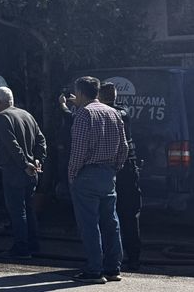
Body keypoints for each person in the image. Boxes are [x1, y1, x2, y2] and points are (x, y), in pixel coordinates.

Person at [68, 76, 129, 284]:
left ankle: (95, 269)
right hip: (108, 173)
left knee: (89, 223)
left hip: (87, 173)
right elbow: (124, 147)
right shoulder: (113, 112)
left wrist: (73, 175)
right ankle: (113, 268)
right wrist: (115, 168)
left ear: (82, 93)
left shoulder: (84, 114)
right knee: (111, 222)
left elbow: (78, 150)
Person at [0, 87, 46, 259]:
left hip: (15, 171)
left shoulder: (2, 117)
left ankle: (21, 248)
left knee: (17, 210)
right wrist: (38, 159)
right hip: (32, 171)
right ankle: (34, 244)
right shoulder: (27, 115)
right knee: (29, 209)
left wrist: (24, 164)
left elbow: (11, 144)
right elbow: (41, 139)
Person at [99, 82, 142, 271]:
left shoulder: (115, 113)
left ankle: (121, 258)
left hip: (118, 172)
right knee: (125, 216)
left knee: (115, 215)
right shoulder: (122, 112)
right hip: (125, 171)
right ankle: (128, 258)